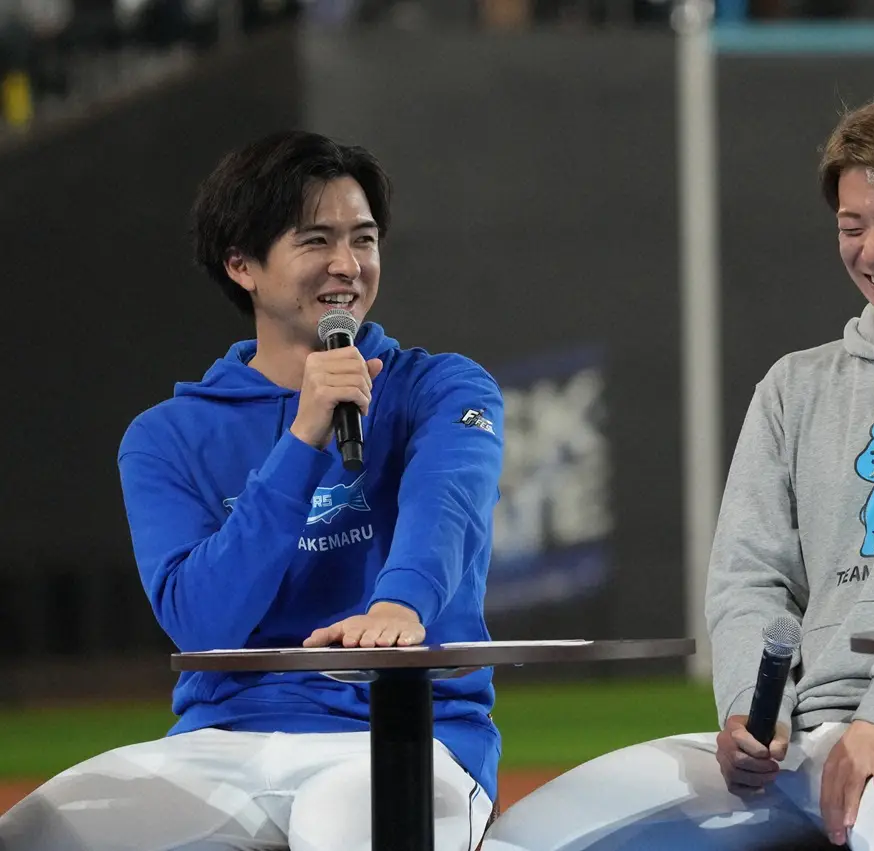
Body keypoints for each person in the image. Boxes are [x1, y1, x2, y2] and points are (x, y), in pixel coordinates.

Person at [482, 94, 874, 851]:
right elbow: (750, 575)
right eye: (853, 226)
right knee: (527, 838)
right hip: (803, 740)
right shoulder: (794, 385)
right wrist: (753, 710)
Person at [0, 130, 504, 851]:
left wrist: (399, 604)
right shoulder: (165, 436)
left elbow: (447, 506)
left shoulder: (443, 388)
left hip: (404, 734)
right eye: (316, 240)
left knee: (349, 824)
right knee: (37, 834)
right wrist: (302, 440)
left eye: (363, 239)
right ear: (242, 265)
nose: (347, 264)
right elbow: (203, 622)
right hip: (222, 742)